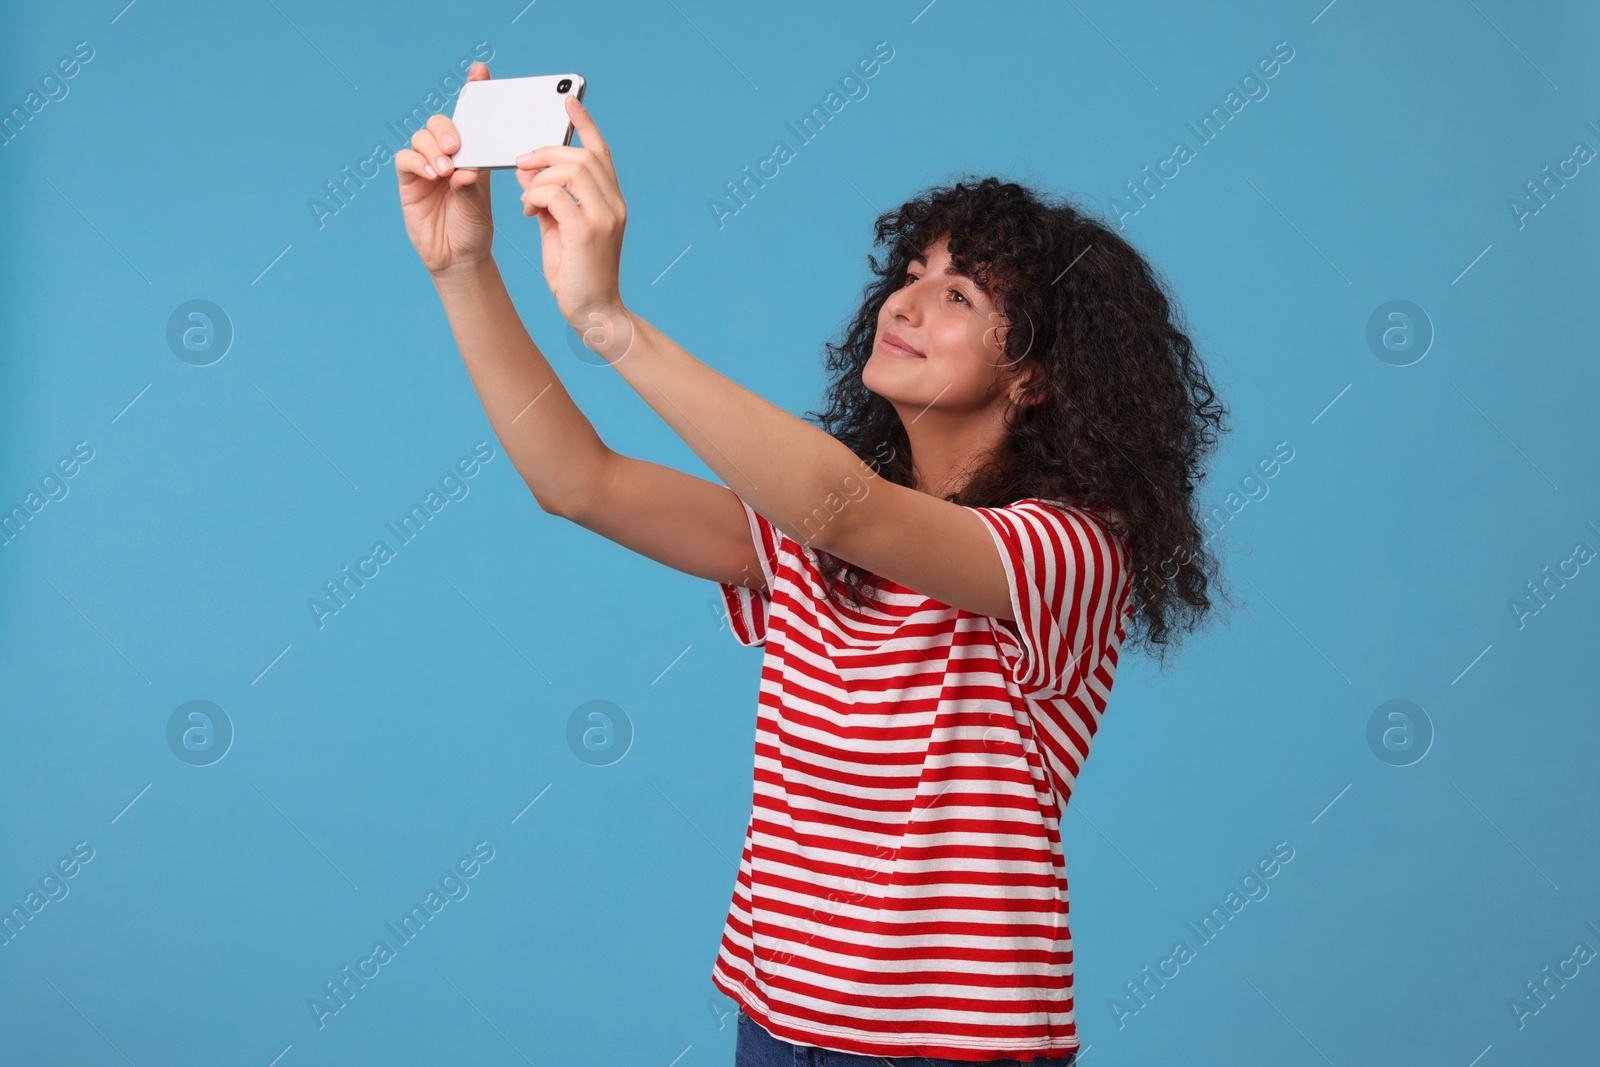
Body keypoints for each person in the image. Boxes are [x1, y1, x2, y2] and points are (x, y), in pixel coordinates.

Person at [396, 61, 1228, 1067]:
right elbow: (579, 480)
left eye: (958, 292)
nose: (908, 302)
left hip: (949, 1047)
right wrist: (462, 268)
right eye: (909, 274)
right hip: (774, 1019)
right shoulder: (802, 538)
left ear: (1037, 376)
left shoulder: (1067, 549)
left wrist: (609, 321)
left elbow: (846, 509)